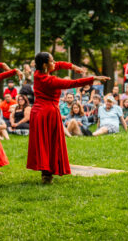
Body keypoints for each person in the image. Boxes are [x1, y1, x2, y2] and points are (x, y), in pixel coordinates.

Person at [27, 52, 109, 184]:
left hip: (38, 112)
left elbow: (58, 65)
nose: (55, 63)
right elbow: (72, 83)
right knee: (49, 143)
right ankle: (47, 174)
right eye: (52, 61)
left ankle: (46, 172)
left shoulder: (37, 74)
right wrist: (93, 78)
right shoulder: (49, 80)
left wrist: (72, 67)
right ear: (45, 65)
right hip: (47, 113)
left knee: (44, 143)